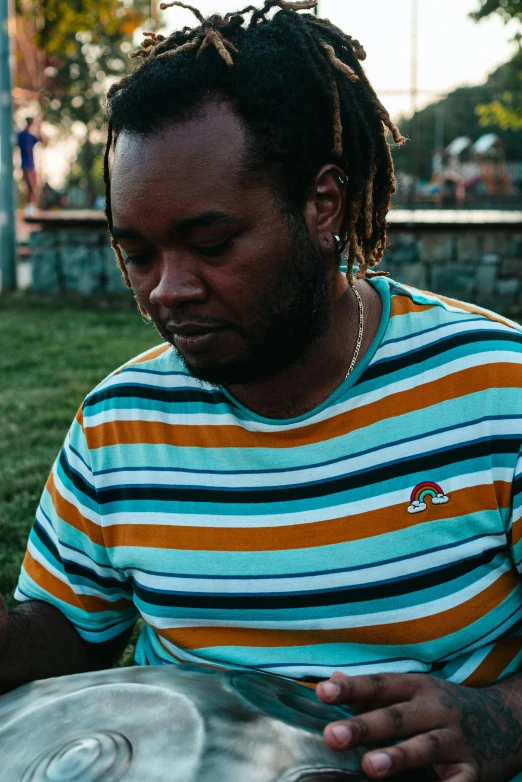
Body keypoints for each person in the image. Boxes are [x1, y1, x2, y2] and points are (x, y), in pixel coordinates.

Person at [2, 1, 522, 779]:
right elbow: (68, 631)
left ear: (322, 206)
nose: (166, 292)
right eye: (137, 253)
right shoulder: (120, 422)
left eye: (211, 244)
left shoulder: (495, 390)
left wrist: (502, 721)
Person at [17, 117, 46, 216]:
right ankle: (28, 208)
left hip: (32, 165)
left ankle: (32, 208)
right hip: (25, 165)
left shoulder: (31, 136)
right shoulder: (21, 135)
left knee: (34, 187)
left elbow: (43, 141)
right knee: (30, 187)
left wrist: (39, 128)